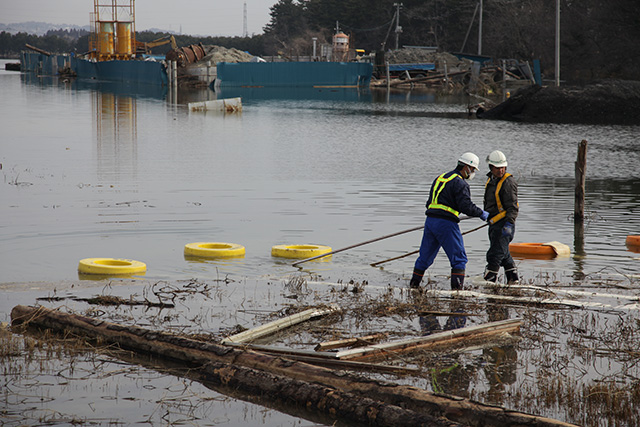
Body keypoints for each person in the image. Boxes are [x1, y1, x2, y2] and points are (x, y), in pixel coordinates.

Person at [409, 153, 489, 290]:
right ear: (467, 167)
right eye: (473, 169)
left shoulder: (440, 178)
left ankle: (413, 286)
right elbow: (466, 206)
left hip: (430, 222)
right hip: (446, 224)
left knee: (424, 258)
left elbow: (429, 203)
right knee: (459, 259)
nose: (473, 173)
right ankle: (457, 293)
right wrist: (481, 213)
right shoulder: (460, 182)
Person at [483, 150, 519, 284]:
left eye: (503, 167)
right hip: (494, 223)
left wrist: (509, 224)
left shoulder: (508, 182)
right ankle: (513, 279)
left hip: (504, 224)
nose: (501, 170)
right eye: (498, 168)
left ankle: (489, 281)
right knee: (504, 254)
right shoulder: (491, 180)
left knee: (495, 254)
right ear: (491, 167)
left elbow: (513, 207)